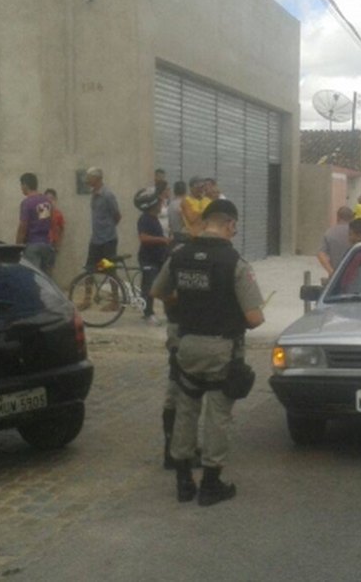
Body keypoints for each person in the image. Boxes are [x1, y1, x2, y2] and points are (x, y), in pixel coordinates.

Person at [152, 199, 265, 507]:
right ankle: (211, 485)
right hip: (221, 349)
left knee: (186, 410)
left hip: (186, 346)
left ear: (205, 222)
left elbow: (157, 291)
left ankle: (183, 482)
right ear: (229, 224)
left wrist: (185, 303)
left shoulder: (180, 255)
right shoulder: (235, 263)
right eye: (235, 228)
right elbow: (255, 318)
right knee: (218, 416)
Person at [80, 167, 122, 311]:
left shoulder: (107, 195)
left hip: (108, 240)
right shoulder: (94, 194)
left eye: (89, 177)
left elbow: (117, 215)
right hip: (95, 240)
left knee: (110, 269)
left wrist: (108, 228)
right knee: (89, 269)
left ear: (97, 178)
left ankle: (115, 301)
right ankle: (87, 299)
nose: (87, 180)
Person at [135, 187, 170, 326]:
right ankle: (148, 313)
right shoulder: (145, 219)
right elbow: (143, 238)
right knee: (149, 286)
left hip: (160, 257)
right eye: (159, 202)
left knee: (165, 285)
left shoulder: (155, 218)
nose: (161, 204)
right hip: (148, 258)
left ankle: (170, 314)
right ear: (152, 205)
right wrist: (162, 240)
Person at [16, 173, 55, 272]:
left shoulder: (27, 203)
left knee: (33, 277)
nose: (21, 188)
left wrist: (17, 245)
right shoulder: (45, 201)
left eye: (21, 185)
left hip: (32, 245)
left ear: (25, 185)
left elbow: (23, 226)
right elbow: (47, 221)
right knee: (45, 279)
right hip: (46, 244)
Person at [317, 206, 353, 279]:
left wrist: (331, 271)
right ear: (352, 218)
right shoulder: (356, 234)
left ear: (338, 217)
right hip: (354, 276)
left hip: (336, 276)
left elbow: (321, 254)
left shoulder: (329, 233)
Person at [45, 188, 65, 274]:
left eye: (51, 198)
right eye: (47, 198)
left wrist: (58, 245)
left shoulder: (58, 214)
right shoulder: (42, 212)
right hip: (43, 242)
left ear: (55, 199)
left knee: (50, 267)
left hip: (52, 244)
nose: (49, 200)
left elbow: (61, 230)